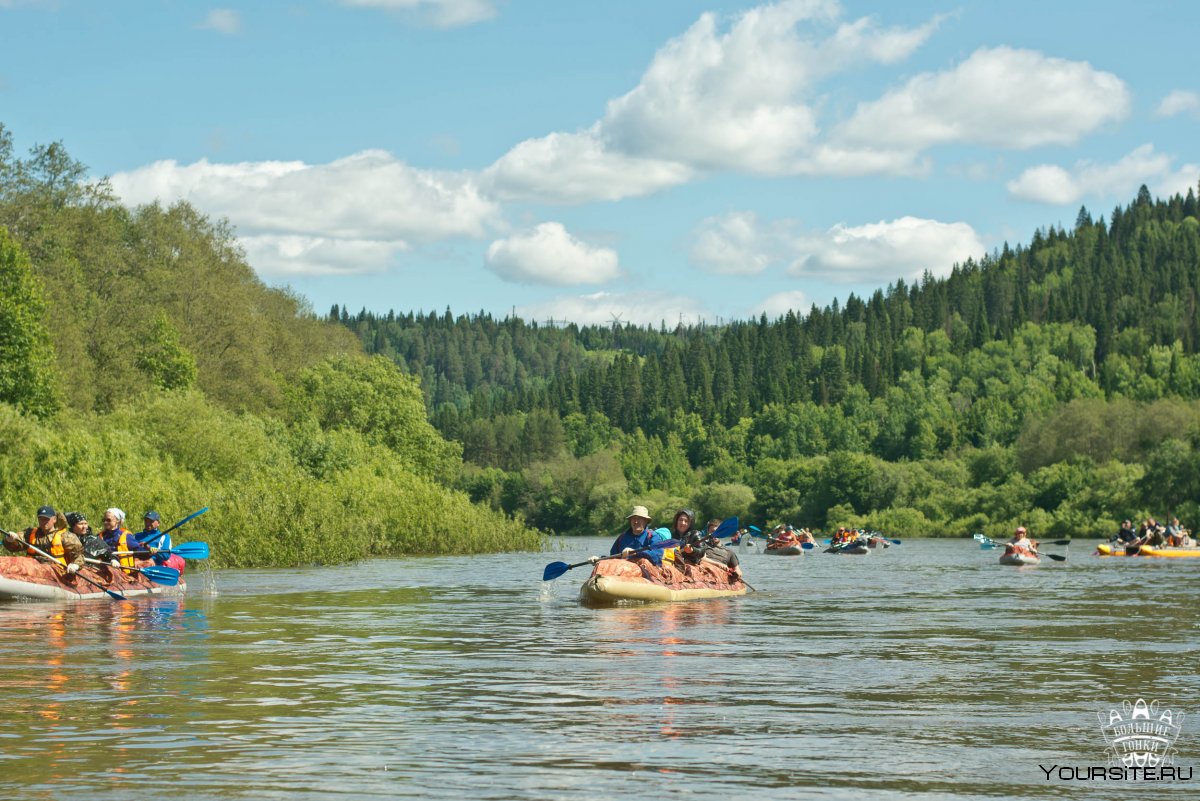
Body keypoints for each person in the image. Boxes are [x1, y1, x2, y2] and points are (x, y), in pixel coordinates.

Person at [2, 505, 85, 574]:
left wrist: (75, 565)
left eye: (46, 519)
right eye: (41, 519)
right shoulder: (29, 533)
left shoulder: (65, 536)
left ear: (54, 520)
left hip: (57, 573)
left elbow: (79, 556)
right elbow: (15, 545)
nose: (43, 522)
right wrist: (10, 540)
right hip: (31, 569)